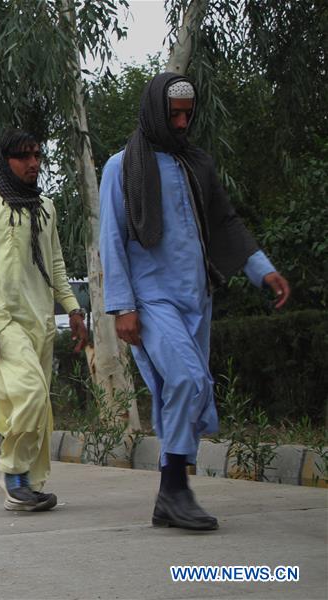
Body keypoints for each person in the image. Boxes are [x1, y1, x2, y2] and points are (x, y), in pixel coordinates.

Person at [99, 73, 291, 531]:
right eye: (174, 115)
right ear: (154, 112)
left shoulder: (197, 164)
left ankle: (171, 497)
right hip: (150, 300)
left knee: (189, 388)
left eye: (188, 114)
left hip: (196, 296)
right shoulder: (121, 167)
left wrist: (262, 268)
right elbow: (111, 238)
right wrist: (122, 307)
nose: (182, 123)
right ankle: (174, 490)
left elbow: (224, 222)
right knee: (186, 380)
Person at [0, 129, 88, 512]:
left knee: (36, 404)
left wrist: (74, 309)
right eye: (22, 156)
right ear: (5, 161)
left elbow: (57, 267)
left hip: (40, 321)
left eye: (36, 155)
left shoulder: (46, 207)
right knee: (29, 393)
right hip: (1, 321)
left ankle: (30, 486)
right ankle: (13, 472)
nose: (32, 163)